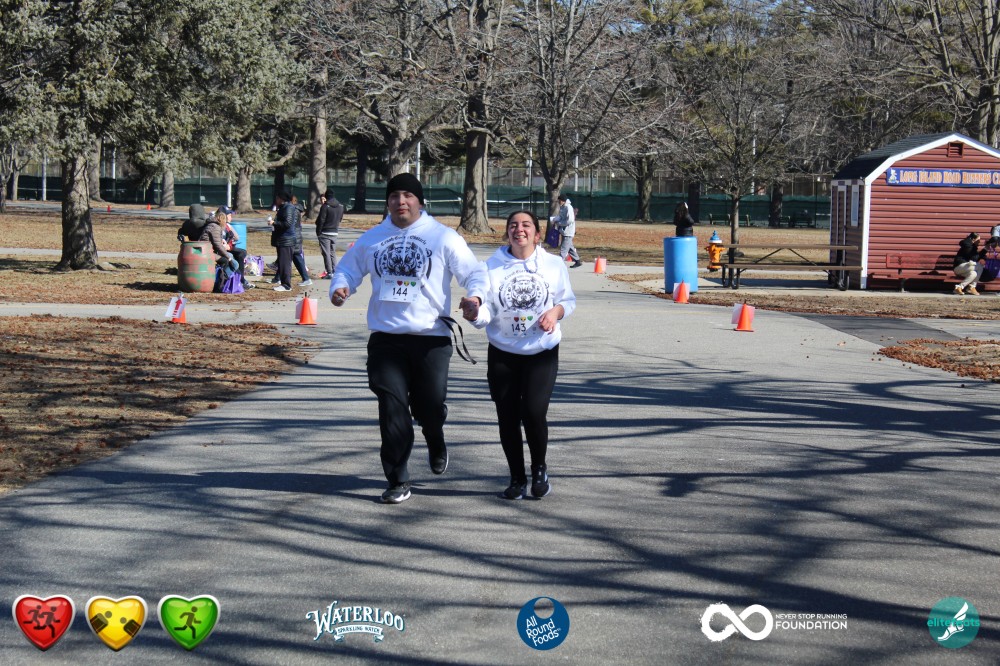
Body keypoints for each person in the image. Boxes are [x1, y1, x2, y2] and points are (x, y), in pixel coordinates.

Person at [329, 173, 486, 504]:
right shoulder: (372, 238)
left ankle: (434, 433)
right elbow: (346, 269)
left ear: (420, 201)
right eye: (394, 196)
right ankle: (397, 478)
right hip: (386, 339)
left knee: (430, 405)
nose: (401, 201)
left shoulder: (442, 237)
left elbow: (474, 273)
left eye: (408, 195)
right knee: (392, 409)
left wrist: (475, 298)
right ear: (387, 202)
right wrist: (341, 287)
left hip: (431, 337)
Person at [463, 210, 576, 500]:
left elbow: (567, 300)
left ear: (537, 234)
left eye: (526, 225)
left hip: (541, 350)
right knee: (507, 416)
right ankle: (516, 477)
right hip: (503, 353)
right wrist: (475, 314)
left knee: (534, 412)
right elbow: (486, 311)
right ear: (507, 233)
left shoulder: (553, 264)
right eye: (513, 225)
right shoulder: (491, 266)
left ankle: (539, 469)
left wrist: (555, 312)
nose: (519, 229)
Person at [268, 191, 303, 292]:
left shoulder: (288, 208)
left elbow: (287, 223)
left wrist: (274, 223)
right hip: (282, 239)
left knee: (285, 263)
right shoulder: (283, 208)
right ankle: (283, 282)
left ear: (282, 199)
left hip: (286, 240)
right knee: (282, 263)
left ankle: (286, 285)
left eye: (277, 198)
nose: (276, 200)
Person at [199, 210, 240, 288]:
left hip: (207, 250)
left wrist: (222, 242)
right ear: (222, 220)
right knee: (233, 263)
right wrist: (228, 258)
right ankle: (219, 283)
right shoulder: (216, 227)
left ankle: (226, 281)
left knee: (231, 256)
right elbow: (218, 245)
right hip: (207, 252)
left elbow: (216, 241)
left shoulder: (212, 225)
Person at [216, 205, 254, 289]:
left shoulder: (227, 226)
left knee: (241, 253)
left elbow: (237, 237)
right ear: (223, 216)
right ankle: (240, 280)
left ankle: (241, 279)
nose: (231, 217)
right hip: (219, 250)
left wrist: (229, 229)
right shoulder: (217, 226)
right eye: (229, 215)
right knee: (233, 257)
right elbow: (216, 242)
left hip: (226, 248)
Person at [315, 189, 344, 278]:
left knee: (326, 253)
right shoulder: (340, 206)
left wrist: (318, 232)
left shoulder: (325, 206)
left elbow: (321, 220)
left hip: (325, 232)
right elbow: (340, 218)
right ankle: (335, 271)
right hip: (334, 232)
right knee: (332, 252)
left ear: (326, 196)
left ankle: (329, 272)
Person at [554, 194, 582, 268]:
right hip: (564, 231)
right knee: (569, 247)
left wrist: (560, 223)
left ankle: (558, 264)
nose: (558, 202)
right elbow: (561, 216)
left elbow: (570, 220)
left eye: (559, 200)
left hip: (568, 231)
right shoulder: (562, 207)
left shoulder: (568, 207)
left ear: (563, 201)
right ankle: (577, 261)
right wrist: (555, 219)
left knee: (563, 249)